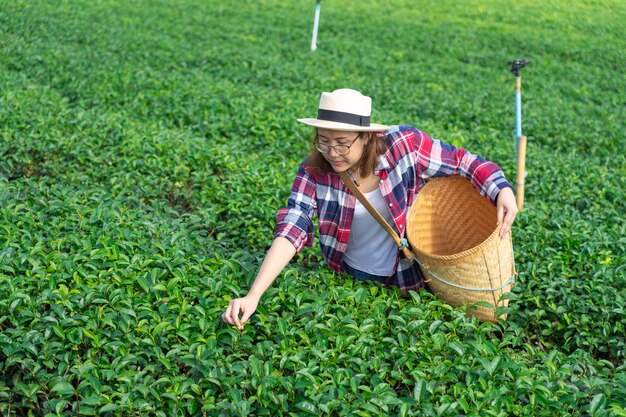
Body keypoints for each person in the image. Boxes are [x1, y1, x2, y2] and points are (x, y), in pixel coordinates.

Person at [221, 88, 518, 330]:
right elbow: (292, 228)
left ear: (367, 137)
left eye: (342, 143)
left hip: (407, 278)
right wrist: (253, 295)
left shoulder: (404, 146)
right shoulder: (314, 171)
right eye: (323, 141)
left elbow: (464, 161)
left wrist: (501, 189)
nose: (332, 152)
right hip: (348, 275)